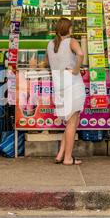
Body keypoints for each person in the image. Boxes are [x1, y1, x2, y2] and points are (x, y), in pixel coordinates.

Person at [45, 18, 85, 165]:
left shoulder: (50, 44)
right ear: (68, 29)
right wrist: (75, 70)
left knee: (70, 123)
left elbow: (48, 63)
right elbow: (80, 54)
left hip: (59, 87)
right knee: (72, 123)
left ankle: (61, 154)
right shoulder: (71, 41)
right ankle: (68, 158)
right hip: (73, 85)